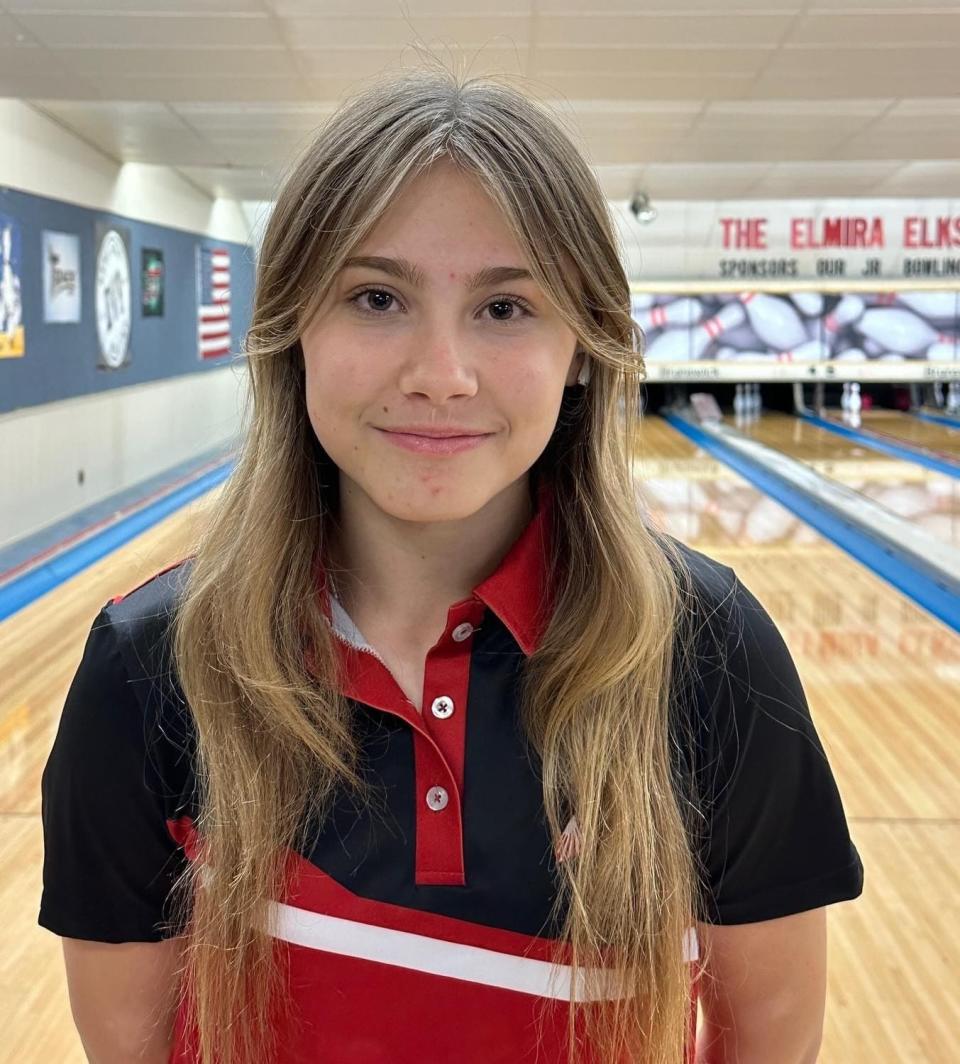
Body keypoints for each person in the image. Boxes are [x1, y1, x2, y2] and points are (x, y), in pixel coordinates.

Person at [38, 65, 863, 1064]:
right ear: (296, 328)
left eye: (506, 308)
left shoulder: (708, 649)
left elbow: (773, 1039)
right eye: (376, 296)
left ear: (585, 346)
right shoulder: (149, 668)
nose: (440, 374)